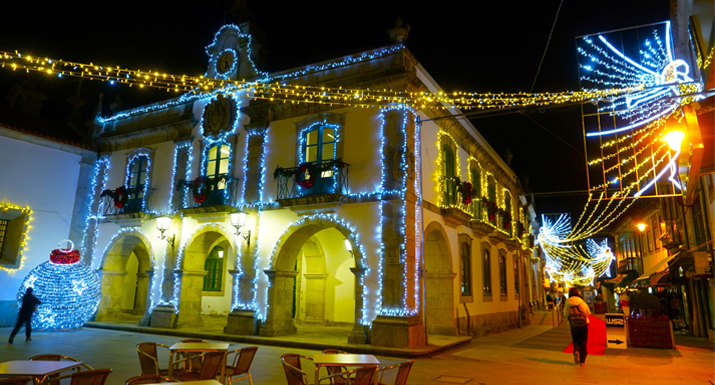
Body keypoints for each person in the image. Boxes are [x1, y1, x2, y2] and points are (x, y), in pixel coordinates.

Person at [564, 287, 591, 366]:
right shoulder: (581, 302)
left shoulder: (568, 302)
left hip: (573, 324)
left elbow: (565, 313)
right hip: (583, 324)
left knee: (575, 340)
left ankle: (576, 351)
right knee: (583, 342)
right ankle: (582, 361)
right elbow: (588, 312)